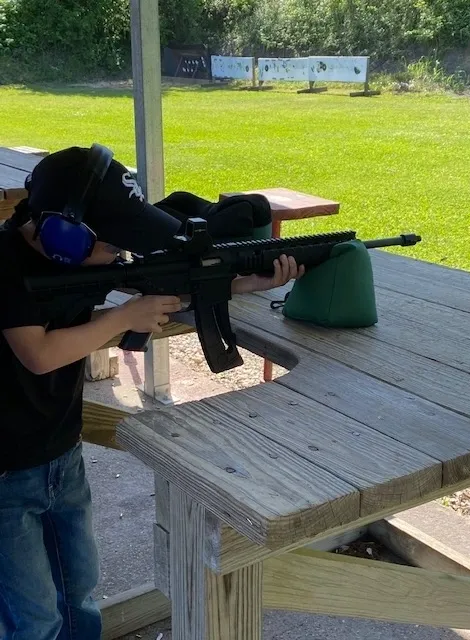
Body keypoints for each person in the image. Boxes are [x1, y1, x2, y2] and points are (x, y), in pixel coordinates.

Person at [0, 144, 304, 640]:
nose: (120, 255)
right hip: (7, 477)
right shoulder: (6, 265)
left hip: (60, 453)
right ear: (64, 236)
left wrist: (246, 282)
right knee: (33, 619)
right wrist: (123, 318)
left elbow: (164, 287)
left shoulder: (74, 264)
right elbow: (39, 352)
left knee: (78, 594)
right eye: (112, 244)